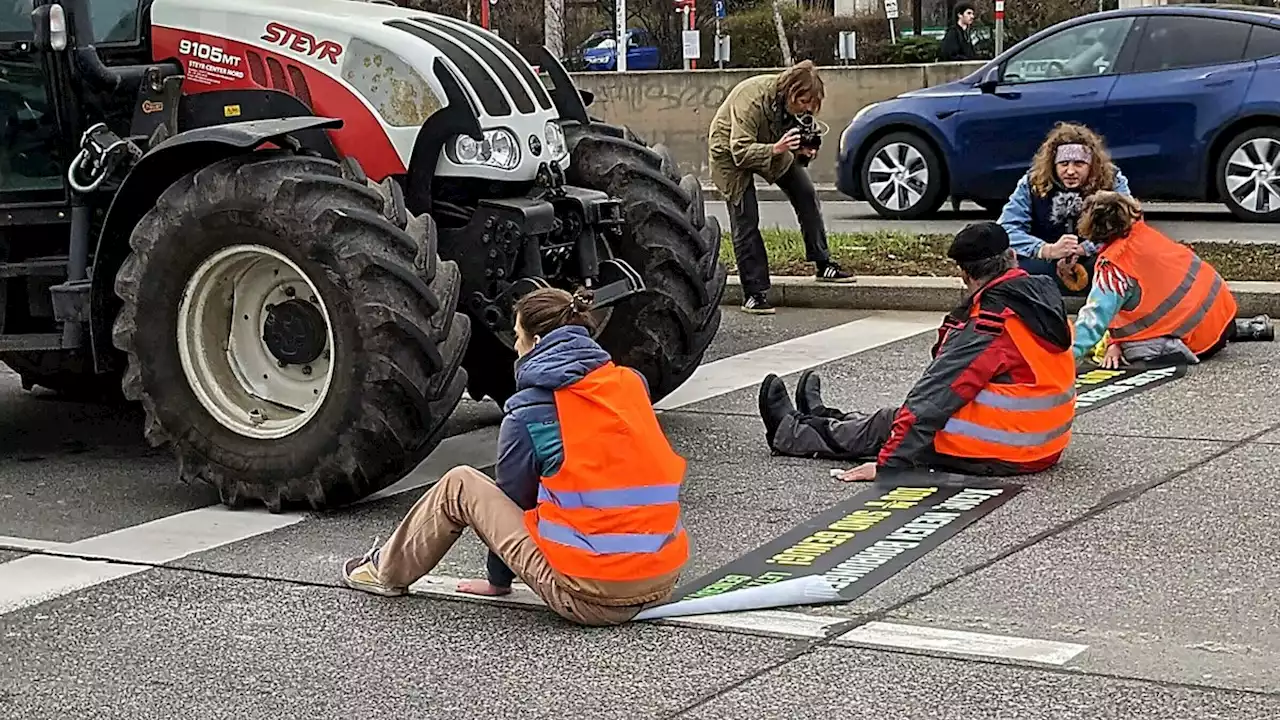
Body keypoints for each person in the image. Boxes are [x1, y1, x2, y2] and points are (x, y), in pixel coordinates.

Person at [341, 287, 689, 626]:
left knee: (458, 485)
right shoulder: (631, 385)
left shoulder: (528, 412)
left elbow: (513, 500)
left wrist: (499, 581)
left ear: (536, 344)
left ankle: (384, 571)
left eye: (517, 337)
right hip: (661, 582)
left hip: (592, 599)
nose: (515, 347)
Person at [757, 221, 1077, 481]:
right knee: (893, 421)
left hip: (1002, 450)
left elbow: (932, 400)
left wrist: (889, 466)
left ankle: (791, 433)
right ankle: (823, 418)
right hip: (1041, 443)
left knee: (891, 423)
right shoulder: (1035, 298)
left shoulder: (990, 325)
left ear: (965, 274)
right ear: (1012, 259)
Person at [708, 59, 854, 316]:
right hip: (729, 153)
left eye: (812, 104)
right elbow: (740, 151)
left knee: (806, 193)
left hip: (773, 146)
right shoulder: (751, 99)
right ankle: (754, 293)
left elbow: (796, 155)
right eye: (803, 101)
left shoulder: (798, 111)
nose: (807, 108)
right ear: (790, 91)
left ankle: (823, 263)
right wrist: (778, 148)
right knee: (746, 217)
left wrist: (805, 153)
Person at [1070, 191, 1273, 368]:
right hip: (1223, 313)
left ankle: (1173, 350)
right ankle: (1248, 329)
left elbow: (1093, 320)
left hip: (1198, 339)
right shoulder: (1143, 235)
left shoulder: (1114, 267)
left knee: (1130, 349)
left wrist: (1068, 357)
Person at [998, 122, 1132, 296]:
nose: (1070, 171)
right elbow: (1006, 229)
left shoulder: (1112, 181)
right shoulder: (1032, 183)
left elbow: (1129, 224)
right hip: (1045, 263)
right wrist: (1047, 249)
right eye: (1064, 164)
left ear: (1092, 165)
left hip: (1098, 260)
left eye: (1078, 164)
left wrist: (1087, 248)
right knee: (1007, 268)